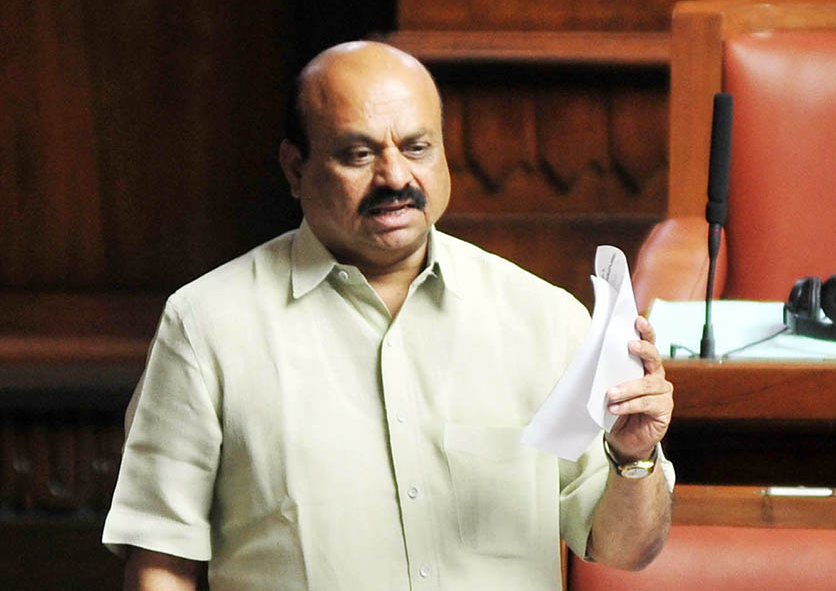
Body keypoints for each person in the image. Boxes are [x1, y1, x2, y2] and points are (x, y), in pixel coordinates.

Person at [103, 41, 675, 591]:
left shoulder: (543, 318)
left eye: (417, 148)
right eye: (359, 154)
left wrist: (634, 457)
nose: (396, 177)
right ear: (295, 169)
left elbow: (625, 550)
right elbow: (162, 562)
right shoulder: (207, 326)